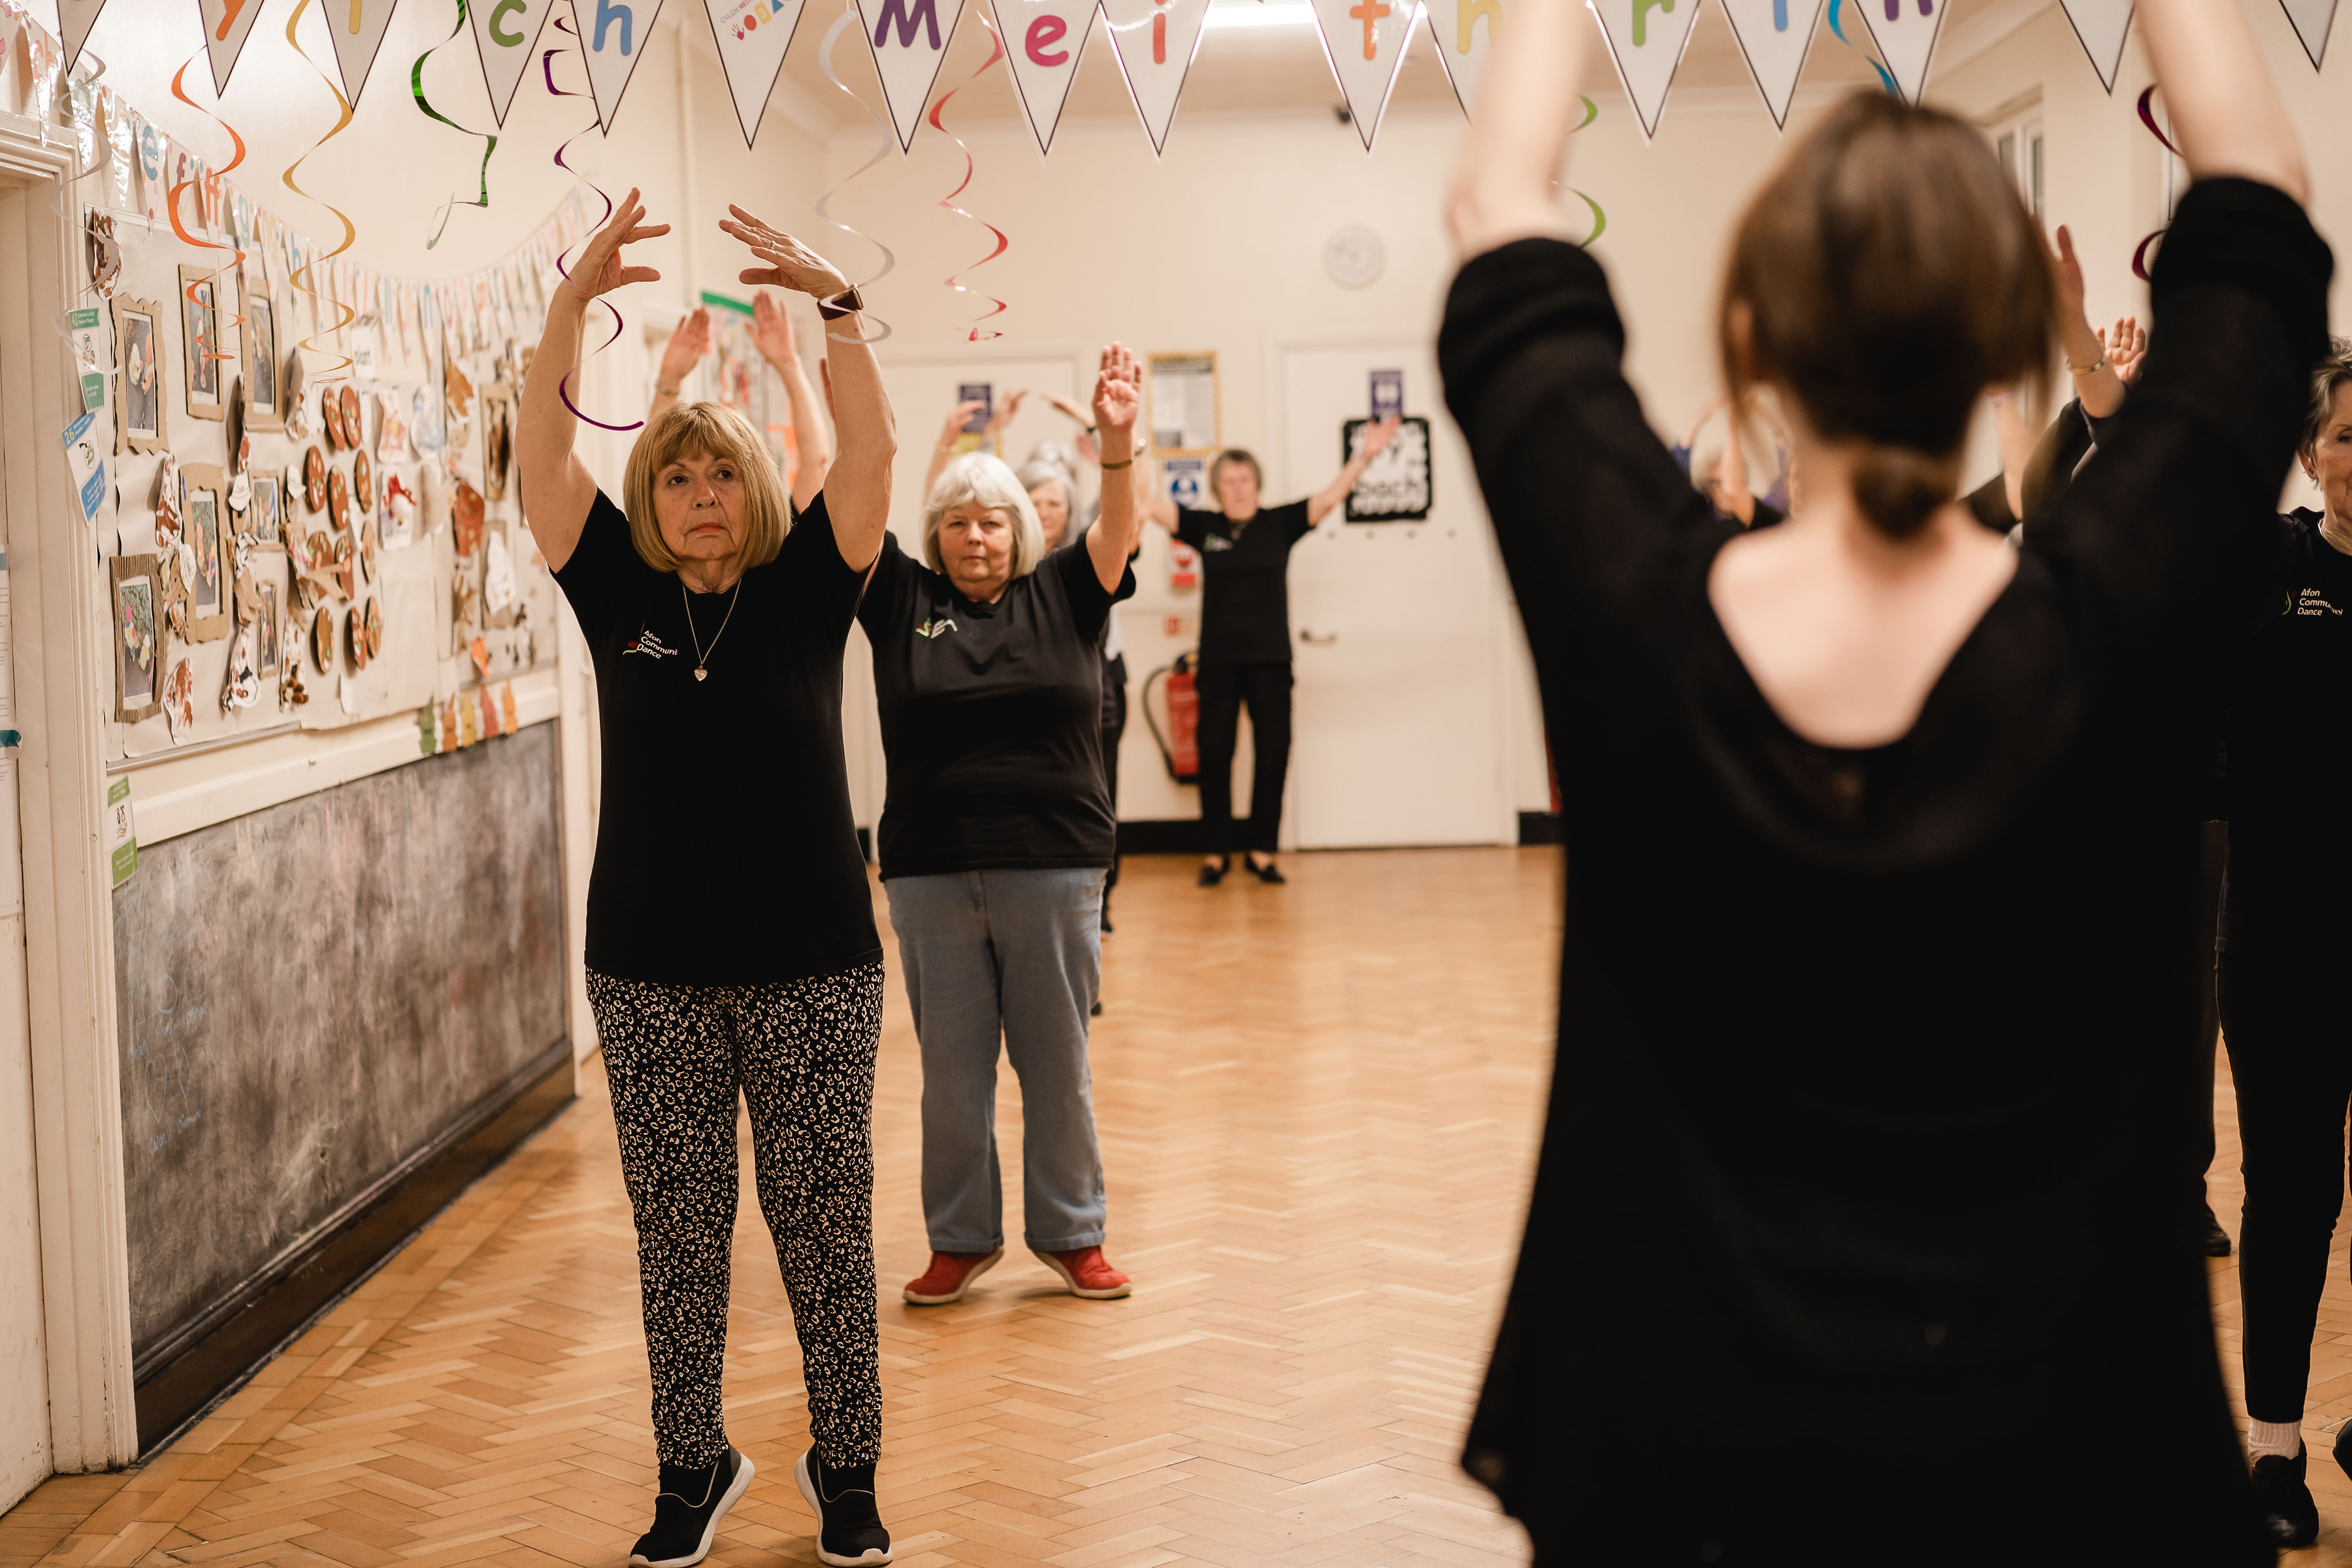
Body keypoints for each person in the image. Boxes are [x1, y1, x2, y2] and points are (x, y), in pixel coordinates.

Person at [1442, 0, 2322, 1554]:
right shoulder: (2121, 618)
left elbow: (1495, 207)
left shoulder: (1634, 604)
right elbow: (2259, 192)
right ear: (2005, 346)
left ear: (1749, 342)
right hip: (2066, 1470)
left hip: (1682, 1473)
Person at [519, 191, 898, 1568]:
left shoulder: (812, 587)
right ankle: (694, 1466)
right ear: (651, 495)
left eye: (721, 476)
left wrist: (838, 315)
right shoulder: (613, 590)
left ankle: (846, 1468)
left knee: (824, 1230)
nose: (699, 497)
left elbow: (869, 451)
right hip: (649, 971)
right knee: (676, 1235)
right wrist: (569, 309)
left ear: (757, 490)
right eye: (677, 478)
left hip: (816, 967)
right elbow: (539, 452)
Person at [862, 348, 1146, 1311]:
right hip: (931, 873)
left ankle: (1074, 1235)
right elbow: (854, 506)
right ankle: (960, 1240)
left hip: (1053, 865)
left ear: (1020, 528)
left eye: (991, 521)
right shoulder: (903, 601)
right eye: (956, 522)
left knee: (1057, 1067)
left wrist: (1116, 440)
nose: (974, 537)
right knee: (952, 1076)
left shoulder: (1066, 590)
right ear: (934, 534)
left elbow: (1120, 525)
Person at [2217, 341, 2352, 1545]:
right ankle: (2272, 1444)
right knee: (2294, 1197)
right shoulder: (2268, 564)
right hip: (2282, 949)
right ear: (2312, 452)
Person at [1139, 423, 1399, 885]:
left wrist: (1364, 456)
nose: (1238, 488)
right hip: (1218, 663)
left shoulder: (1280, 524)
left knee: (1273, 752)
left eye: (1245, 480)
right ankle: (1216, 853)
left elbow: (1330, 498)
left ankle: (1261, 851)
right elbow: (1149, 504)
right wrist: (1122, 451)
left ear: (1257, 484)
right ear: (1217, 489)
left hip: (1271, 662)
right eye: (1229, 481)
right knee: (1213, 755)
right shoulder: (1205, 528)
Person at [1017, 453, 1130, 936]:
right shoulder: (1010, 559)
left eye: (1055, 503)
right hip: (1032, 698)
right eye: (1036, 501)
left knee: (1098, 796)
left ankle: (1096, 902)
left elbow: (1126, 516)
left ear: (1070, 509)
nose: (1045, 512)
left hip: (1096, 687)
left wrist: (1116, 445)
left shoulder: (1088, 553)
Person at [651, 289, 832, 511]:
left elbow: (815, 463)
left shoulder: (786, 529)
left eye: (725, 474)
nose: (706, 495)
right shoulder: (672, 521)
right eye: (679, 479)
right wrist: (669, 378)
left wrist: (789, 364)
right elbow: (654, 463)